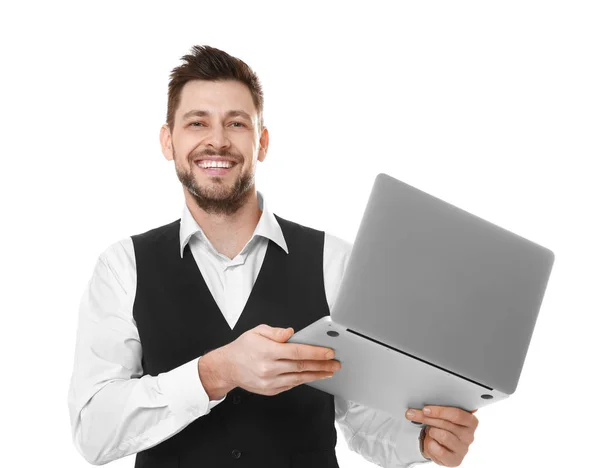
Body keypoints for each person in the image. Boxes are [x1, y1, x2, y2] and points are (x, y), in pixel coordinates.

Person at [67, 45, 479, 468]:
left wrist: (424, 441)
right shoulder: (122, 267)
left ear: (261, 142)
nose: (218, 140)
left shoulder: (334, 262)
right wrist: (215, 372)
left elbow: (363, 421)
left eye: (237, 123)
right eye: (197, 122)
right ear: (168, 141)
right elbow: (94, 432)